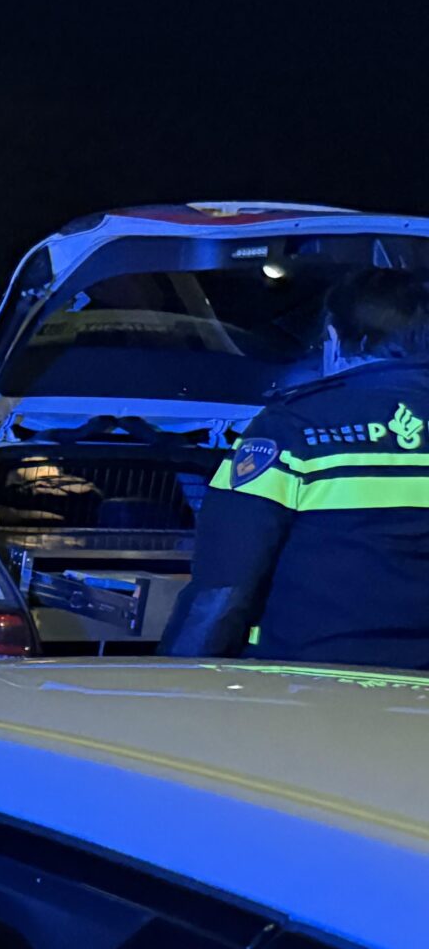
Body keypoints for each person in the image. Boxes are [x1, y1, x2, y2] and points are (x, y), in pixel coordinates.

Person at [161, 268, 429, 668]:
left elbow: (225, 587)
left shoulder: (291, 428)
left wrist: (177, 682)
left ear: (334, 341)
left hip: (311, 690)